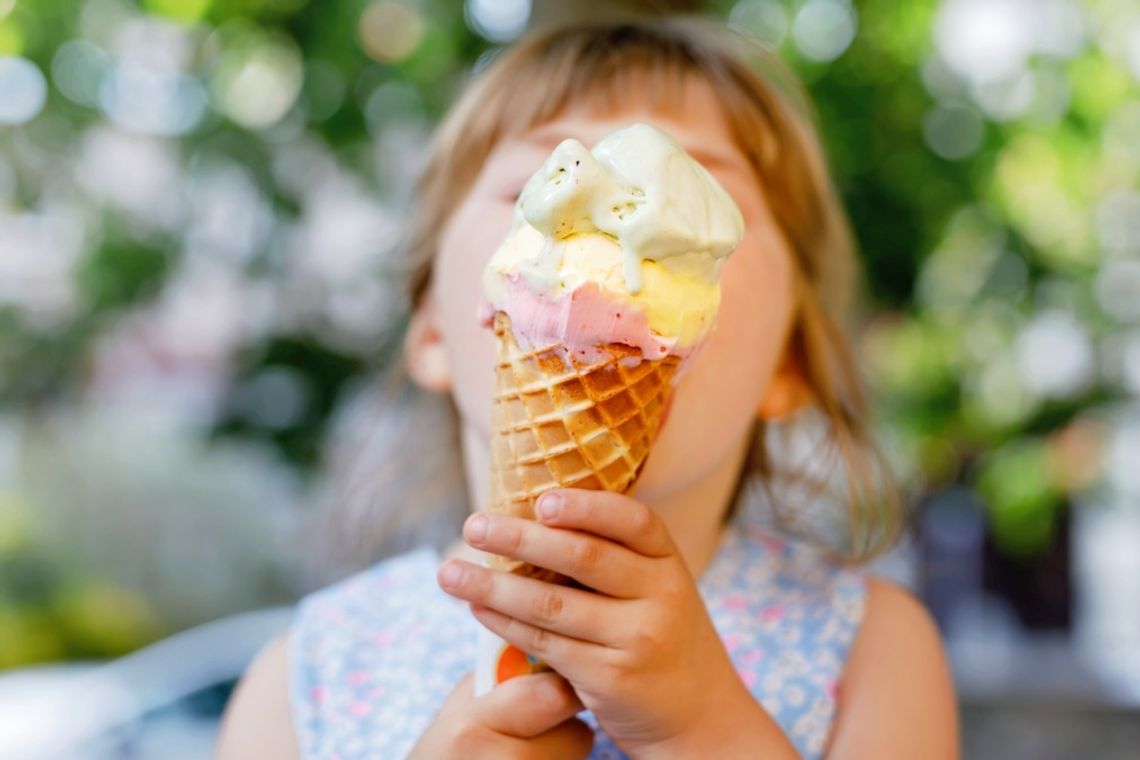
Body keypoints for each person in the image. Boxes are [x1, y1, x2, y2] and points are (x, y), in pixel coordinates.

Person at [216, 16, 958, 760]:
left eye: (693, 196)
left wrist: (703, 732)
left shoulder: (870, 650)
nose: (613, 225)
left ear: (789, 360)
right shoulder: (305, 676)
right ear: (434, 330)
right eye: (537, 183)